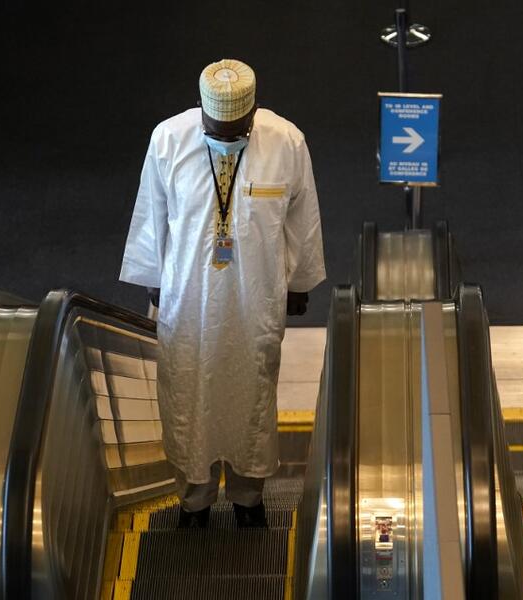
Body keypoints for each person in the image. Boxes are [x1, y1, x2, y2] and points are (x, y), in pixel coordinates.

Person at [119, 59, 326, 528]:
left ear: (252, 116)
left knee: (253, 395)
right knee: (188, 397)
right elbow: (152, 213)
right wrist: (154, 278)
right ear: (201, 112)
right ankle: (195, 500)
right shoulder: (168, 139)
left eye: (237, 130)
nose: (228, 135)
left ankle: (248, 498)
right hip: (187, 297)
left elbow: (302, 215)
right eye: (218, 129)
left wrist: (299, 283)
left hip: (256, 298)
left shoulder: (286, 141)